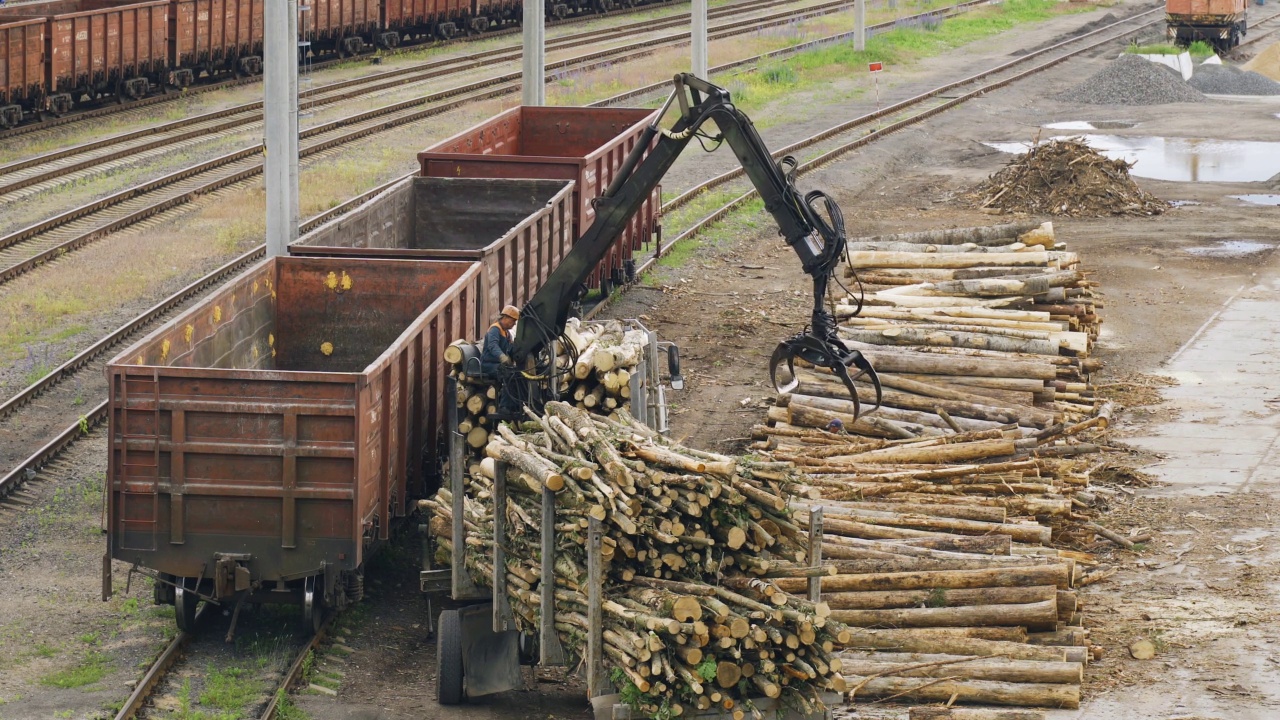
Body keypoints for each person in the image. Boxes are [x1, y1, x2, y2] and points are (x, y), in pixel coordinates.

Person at [481, 305, 520, 378]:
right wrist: (502, 357)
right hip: (488, 364)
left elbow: (511, 348)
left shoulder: (507, 333)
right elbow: (492, 345)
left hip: (497, 364)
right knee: (507, 373)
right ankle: (499, 389)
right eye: (513, 320)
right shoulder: (495, 329)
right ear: (505, 317)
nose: (514, 323)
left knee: (516, 372)